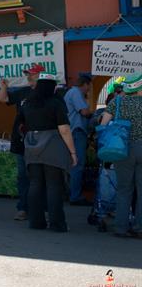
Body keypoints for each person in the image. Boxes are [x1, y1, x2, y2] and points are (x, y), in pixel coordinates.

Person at [17, 73, 78, 232]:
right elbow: (64, 129)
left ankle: (36, 222)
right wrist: (73, 152)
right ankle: (57, 224)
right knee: (54, 186)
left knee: (35, 184)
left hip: (32, 145)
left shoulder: (27, 103)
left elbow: (21, 125)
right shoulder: (55, 103)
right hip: (53, 146)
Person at [0, 63, 44, 221]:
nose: (29, 76)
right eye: (28, 74)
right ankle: (23, 208)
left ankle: (41, 209)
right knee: (23, 175)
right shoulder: (23, 92)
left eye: (32, 74)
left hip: (41, 141)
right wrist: (4, 86)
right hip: (21, 140)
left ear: (41, 75)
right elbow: (3, 99)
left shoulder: (48, 92)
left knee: (40, 176)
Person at [100, 73, 142, 238]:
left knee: (124, 189)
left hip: (122, 149)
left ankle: (120, 228)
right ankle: (139, 228)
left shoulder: (116, 102)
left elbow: (103, 124)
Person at [64, 74, 93, 205]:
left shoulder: (71, 92)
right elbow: (84, 112)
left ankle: (69, 193)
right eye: (89, 86)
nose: (89, 89)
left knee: (71, 165)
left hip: (71, 132)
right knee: (77, 165)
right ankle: (75, 196)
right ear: (85, 84)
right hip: (76, 132)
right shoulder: (76, 93)